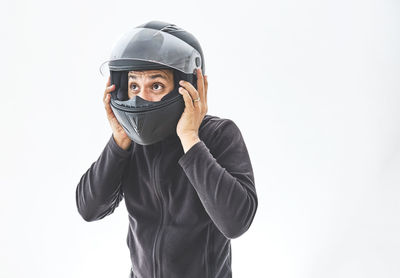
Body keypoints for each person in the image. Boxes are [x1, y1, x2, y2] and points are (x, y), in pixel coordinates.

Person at [75, 21, 258, 278]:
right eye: (134, 86)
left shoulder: (219, 135)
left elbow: (236, 222)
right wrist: (118, 143)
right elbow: (89, 208)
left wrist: (190, 139)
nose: (140, 97)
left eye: (156, 86)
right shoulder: (130, 143)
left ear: (188, 86)